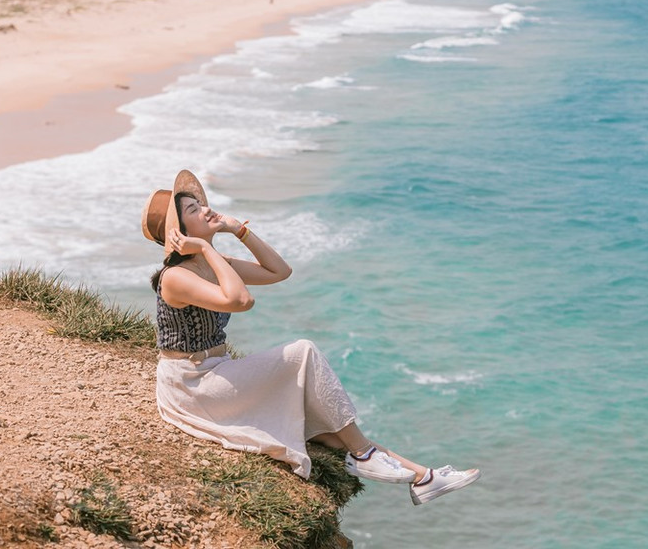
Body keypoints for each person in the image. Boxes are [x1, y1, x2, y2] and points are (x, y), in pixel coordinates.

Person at [141, 170, 479, 505]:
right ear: (179, 234)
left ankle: (423, 477)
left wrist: (240, 230)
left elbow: (279, 271)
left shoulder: (212, 264)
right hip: (193, 385)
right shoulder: (176, 277)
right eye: (193, 211)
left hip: (217, 371)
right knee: (303, 352)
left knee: (328, 429)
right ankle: (364, 455)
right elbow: (241, 300)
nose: (205, 209)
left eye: (200, 203)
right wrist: (206, 247)